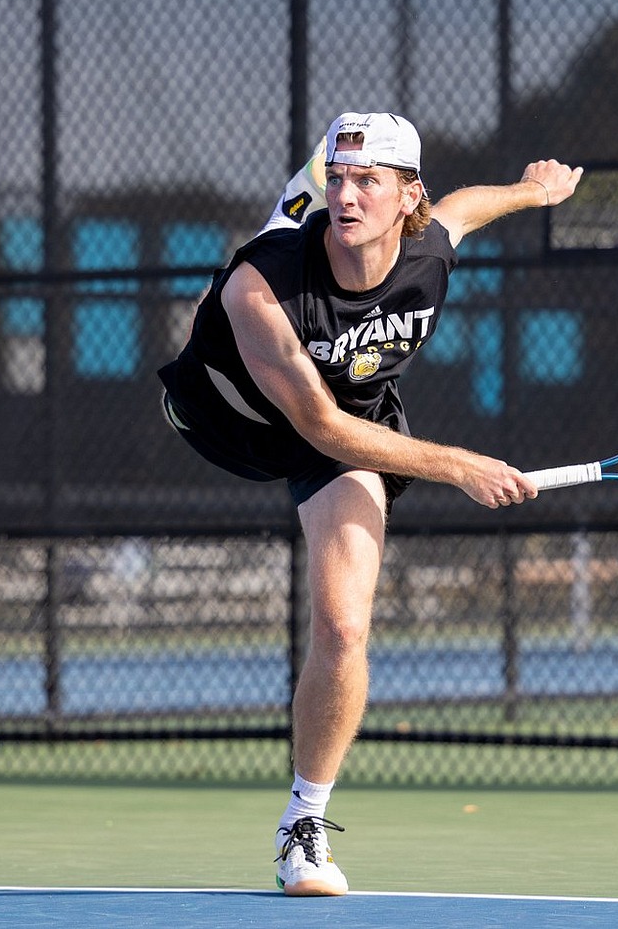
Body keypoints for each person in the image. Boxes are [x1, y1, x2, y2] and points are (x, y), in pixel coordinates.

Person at [157, 112, 582, 897]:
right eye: (337, 179)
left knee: (345, 623)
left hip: (351, 425)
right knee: (269, 266)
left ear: (406, 198)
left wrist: (531, 192)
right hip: (233, 413)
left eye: (368, 182)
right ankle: (270, 226)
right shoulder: (261, 287)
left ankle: (302, 825)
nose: (347, 196)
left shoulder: (427, 249)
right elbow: (313, 424)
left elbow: (464, 208)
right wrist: (459, 464)